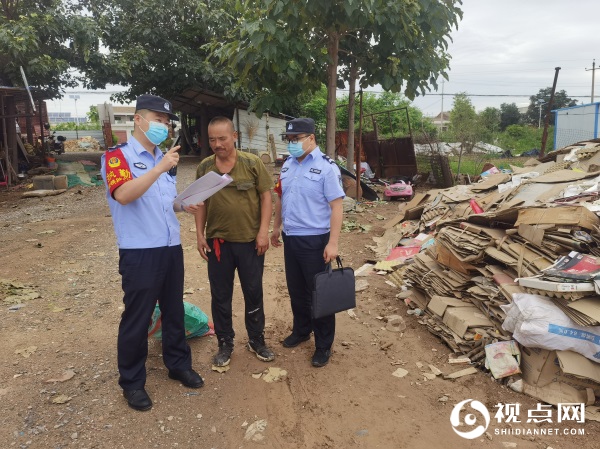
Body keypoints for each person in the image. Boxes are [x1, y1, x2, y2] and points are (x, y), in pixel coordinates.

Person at [101, 94, 204, 412]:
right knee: (138, 317)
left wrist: (184, 205)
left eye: (167, 121)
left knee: (173, 310)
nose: (164, 125)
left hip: (170, 248)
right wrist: (159, 168)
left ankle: (178, 364)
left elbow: (164, 203)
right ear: (138, 120)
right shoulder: (117, 157)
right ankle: (132, 382)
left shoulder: (165, 159)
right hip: (139, 251)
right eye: (158, 119)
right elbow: (124, 195)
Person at [194, 116, 274, 367]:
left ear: (235, 136)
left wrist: (263, 232)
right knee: (220, 296)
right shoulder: (206, 167)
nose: (217, 144)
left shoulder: (251, 164)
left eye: (222, 138)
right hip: (218, 244)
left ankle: (256, 339)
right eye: (212, 139)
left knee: (253, 292)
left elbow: (266, 198)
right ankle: (225, 342)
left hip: (250, 242)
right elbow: (200, 203)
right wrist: (198, 234)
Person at [270, 117, 345, 367]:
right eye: (289, 139)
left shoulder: (327, 168)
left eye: (296, 139)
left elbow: (337, 206)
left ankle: (324, 345)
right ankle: (302, 330)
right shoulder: (288, 165)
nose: (292, 143)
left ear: (311, 138)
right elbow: (280, 198)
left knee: (318, 294)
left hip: (315, 240)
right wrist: (276, 227)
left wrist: (332, 243)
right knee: (297, 290)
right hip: (291, 238)